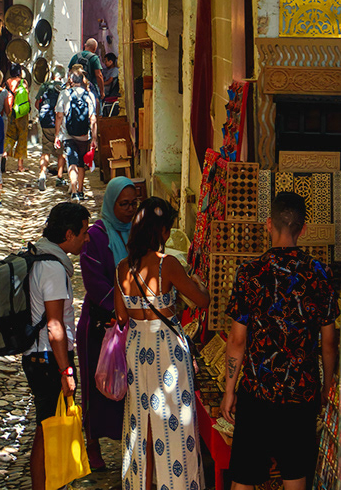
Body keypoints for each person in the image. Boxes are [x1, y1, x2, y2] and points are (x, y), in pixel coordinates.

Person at [221, 191, 337, 490]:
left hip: (257, 391)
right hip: (301, 392)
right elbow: (329, 342)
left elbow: (237, 340)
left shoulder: (250, 273)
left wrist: (229, 390)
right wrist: (326, 389)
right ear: (304, 228)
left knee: (243, 478)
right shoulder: (319, 274)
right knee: (295, 476)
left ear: (269, 224)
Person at [115, 197, 210, 490]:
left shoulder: (122, 267)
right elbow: (201, 300)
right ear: (163, 231)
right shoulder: (166, 264)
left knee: (139, 422)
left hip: (136, 347)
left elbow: (121, 316)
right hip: (167, 349)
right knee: (174, 423)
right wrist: (198, 282)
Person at [22, 201, 91, 490]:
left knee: (47, 427)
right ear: (68, 234)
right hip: (48, 358)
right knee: (46, 428)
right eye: (84, 232)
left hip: (41, 355)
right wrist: (66, 371)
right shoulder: (52, 268)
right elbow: (54, 325)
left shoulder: (41, 255)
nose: (87, 238)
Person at [77, 177, 138, 471]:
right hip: (99, 325)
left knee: (128, 388)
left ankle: (129, 444)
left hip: (132, 323)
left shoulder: (137, 233)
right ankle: (92, 443)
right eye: (123, 204)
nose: (129, 210)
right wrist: (122, 306)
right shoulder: (96, 237)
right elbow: (94, 283)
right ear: (111, 204)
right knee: (95, 384)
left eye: (133, 204)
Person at [54, 69, 97, 201]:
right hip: (84, 136)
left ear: (71, 80)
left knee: (71, 162)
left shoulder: (64, 94)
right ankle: (81, 190)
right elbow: (93, 118)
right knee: (81, 164)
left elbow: (59, 115)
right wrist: (94, 138)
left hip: (68, 135)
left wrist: (57, 134)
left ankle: (73, 191)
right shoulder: (89, 95)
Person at [34, 64, 66, 191]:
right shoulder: (64, 88)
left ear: (52, 74)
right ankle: (59, 178)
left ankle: (42, 175)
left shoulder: (45, 86)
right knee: (61, 152)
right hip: (59, 123)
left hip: (46, 123)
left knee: (45, 150)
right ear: (63, 75)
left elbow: (37, 104)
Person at [5, 63, 30, 173]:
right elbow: (27, 96)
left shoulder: (8, 82)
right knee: (22, 137)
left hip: (11, 112)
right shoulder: (23, 82)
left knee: (10, 136)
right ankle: (20, 166)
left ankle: (4, 155)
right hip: (22, 113)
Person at [68, 38, 105, 103]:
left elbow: (69, 72)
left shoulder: (75, 56)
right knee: (95, 104)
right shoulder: (94, 58)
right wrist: (102, 92)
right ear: (94, 49)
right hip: (90, 88)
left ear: (85, 45)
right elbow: (98, 75)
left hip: (76, 88)